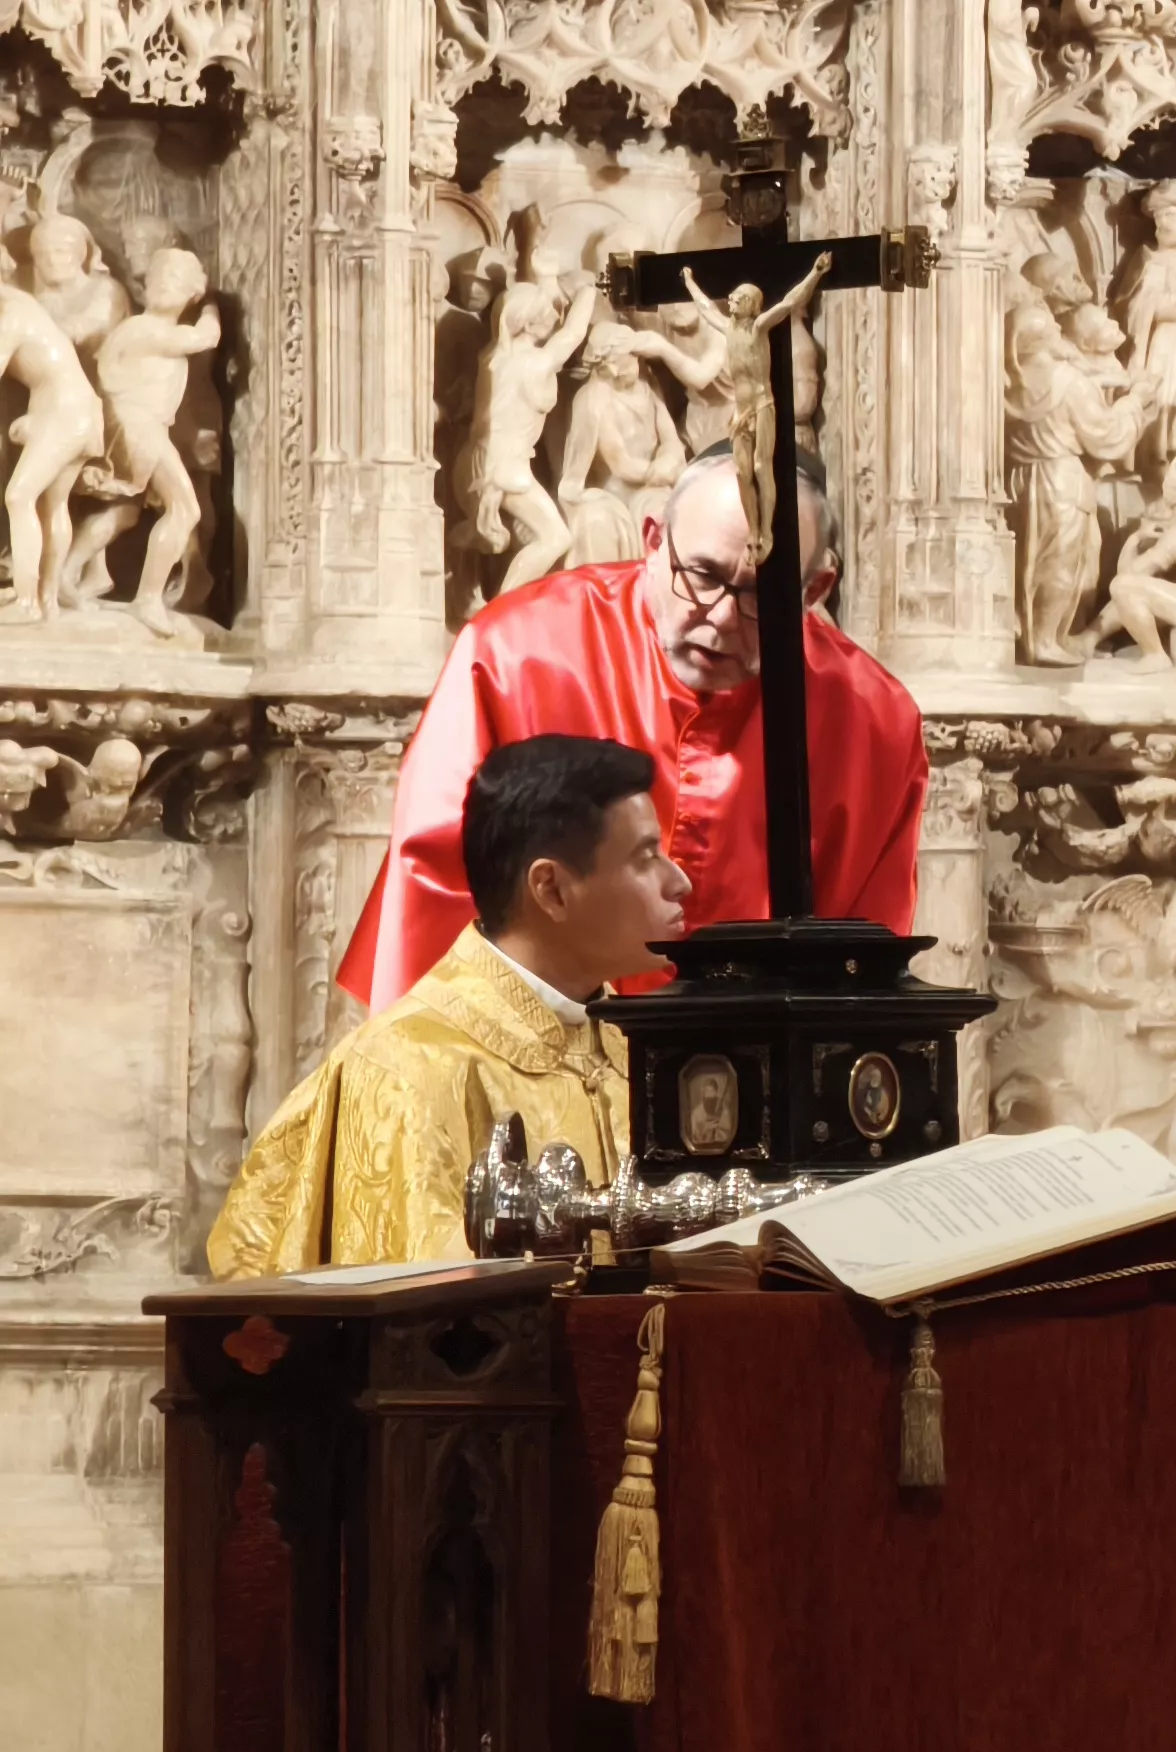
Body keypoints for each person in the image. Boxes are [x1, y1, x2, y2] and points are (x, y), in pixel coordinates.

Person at [337, 439, 926, 1014]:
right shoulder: (514, 656)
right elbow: (430, 901)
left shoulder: (875, 723)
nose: (719, 618)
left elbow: (864, 974)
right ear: (653, 542)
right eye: (700, 574)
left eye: (758, 593)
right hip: (541, 1065)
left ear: (814, 591)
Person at [209, 737, 688, 1277]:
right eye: (645, 858)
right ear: (551, 889)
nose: (680, 883)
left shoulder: (636, 1052)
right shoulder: (400, 1074)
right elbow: (424, 1321)